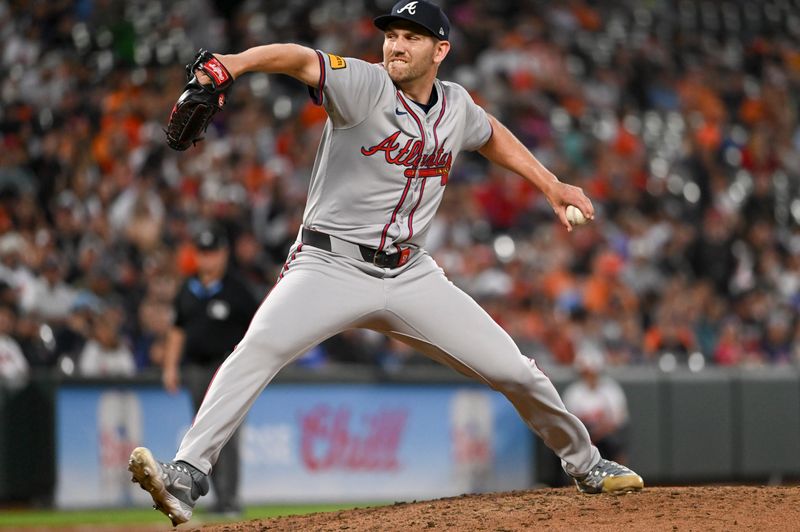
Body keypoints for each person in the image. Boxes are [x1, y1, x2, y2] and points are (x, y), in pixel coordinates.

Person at [128, 1, 643, 525]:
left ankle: (586, 463)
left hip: (411, 273)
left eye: (411, 37)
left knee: (515, 370)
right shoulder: (365, 85)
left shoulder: (456, 106)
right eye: (392, 34)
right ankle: (187, 473)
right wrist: (231, 64)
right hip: (328, 265)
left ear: (440, 50)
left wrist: (552, 185)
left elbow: (492, 136)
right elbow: (299, 58)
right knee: (258, 348)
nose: (396, 45)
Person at [160, 221, 259, 517]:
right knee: (206, 437)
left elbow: (257, 330)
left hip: (227, 370)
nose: (208, 258)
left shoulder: (238, 290)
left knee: (226, 435)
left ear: (224, 253)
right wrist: (169, 366)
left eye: (212, 251)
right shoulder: (187, 290)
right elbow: (176, 330)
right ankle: (220, 500)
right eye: (203, 252)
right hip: (195, 370)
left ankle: (230, 501)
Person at [563, 343, 631, 464]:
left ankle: (623, 477)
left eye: (593, 372)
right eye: (587, 372)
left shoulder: (611, 389)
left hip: (606, 434)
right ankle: (573, 481)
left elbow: (618, 420)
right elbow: (569, 423)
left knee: (614, 442)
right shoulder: (574, 392)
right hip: (583, 435)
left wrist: (599, 433)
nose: (590, 375)